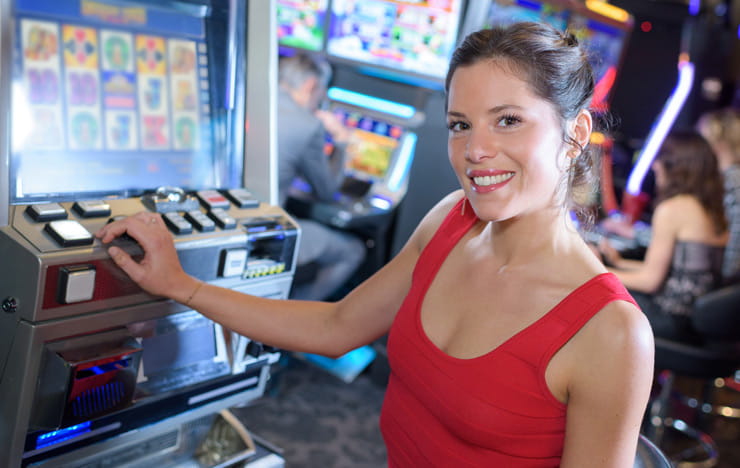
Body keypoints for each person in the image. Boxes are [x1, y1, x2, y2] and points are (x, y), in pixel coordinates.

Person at [97, 22, 654, 467]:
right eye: (460, 125)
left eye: (508, 120)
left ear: (575, 134)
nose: (475, 150)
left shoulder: (611, 332)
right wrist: (182, 286)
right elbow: (335, 328)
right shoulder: (450, 222)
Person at [597, 131, 727, 341]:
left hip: (671, 317)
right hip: (692, 318)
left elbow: (650, 281)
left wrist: (597, 272)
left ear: (675, 165)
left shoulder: (673, 208)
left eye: (660, 159)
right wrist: (619, 263)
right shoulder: (711, 209)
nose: (655, 166)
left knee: (594, 298)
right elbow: (678, 273)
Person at [276, 52, 366, 300]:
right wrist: (341, 141)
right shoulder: (307, 124)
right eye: (320, 96)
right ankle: (292, 324)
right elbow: (327, 191)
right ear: (310, 86)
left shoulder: (251, 97)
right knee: (353, 251)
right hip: (266, 232)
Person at [696, 107, 740, 283]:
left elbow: (737, 233)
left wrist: (725, 280)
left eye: (702, 139)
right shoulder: (725, 177)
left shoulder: (733, 179)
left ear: (719, 142)